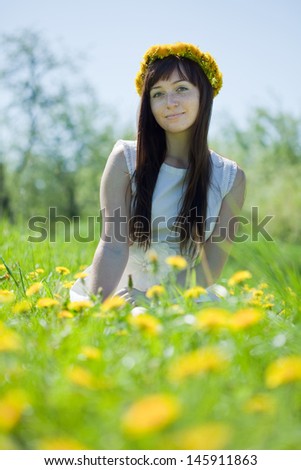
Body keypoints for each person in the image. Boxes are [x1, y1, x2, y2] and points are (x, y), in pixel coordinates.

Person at [70, 42, 246, 304]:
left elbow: (210, 268)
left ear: (204, 96)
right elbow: (113, 246)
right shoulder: (125, 159)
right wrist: (100, 307)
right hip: (120, 288)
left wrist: (154, 300)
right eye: (158, 93)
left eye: (181, 89)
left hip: (182, 294)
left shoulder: (230, 178)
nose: (170, 103)